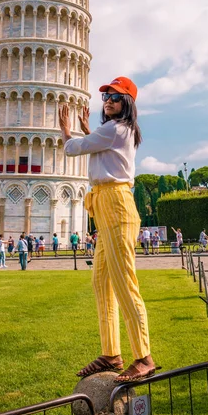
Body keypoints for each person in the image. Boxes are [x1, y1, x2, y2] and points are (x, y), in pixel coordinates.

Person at [59, 76, 157, 382]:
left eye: (115, 96)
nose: (109, 100)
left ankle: (144, 358)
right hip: (105, 205)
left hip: (115, 205)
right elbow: (100, 149)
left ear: (127, 102)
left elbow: (74, 149)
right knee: (101, 282)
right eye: (107, 96)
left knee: (124, 283)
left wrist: (65, 130)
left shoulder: (116, 129)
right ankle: (111, 353)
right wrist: (88, 131)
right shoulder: (115, 132)